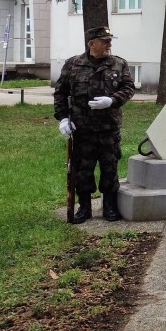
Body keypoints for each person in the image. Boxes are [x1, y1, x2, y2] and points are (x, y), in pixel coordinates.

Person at [53, 26, 136, 223]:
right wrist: (63, 118)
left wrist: (113, 100)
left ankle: (109, 205)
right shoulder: (73, 64)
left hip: (108, 127)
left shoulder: (118, 64)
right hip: (82, 129)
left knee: (110, 168)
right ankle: (84, 207)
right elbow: (61, 93)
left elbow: (128, 88)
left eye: (109, 40)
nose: (109, 44)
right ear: (91, 44)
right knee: (83, 169)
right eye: (104, 41)